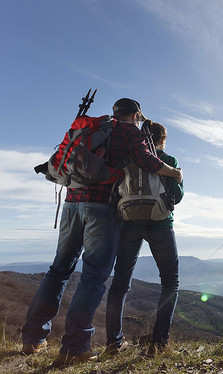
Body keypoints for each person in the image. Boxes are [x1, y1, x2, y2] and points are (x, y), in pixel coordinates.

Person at [21, 99, 183, 366]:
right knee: (94, 276)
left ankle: (33, 339)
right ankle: (74, 346)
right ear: (136, 115)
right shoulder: (128, 130)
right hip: (101, 208)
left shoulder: (90, 128)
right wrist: (174, 173)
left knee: (59, 270)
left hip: (71, 204)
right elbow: (147, 161)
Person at [106, 120, 183, 357]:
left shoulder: (128, 157)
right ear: (162, 140)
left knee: (119, 284)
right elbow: (177, 196)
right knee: (170, 282)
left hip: (129, 223)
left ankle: (113, 343)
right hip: (160, 223)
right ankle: (159, 344)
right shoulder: (168, 161)